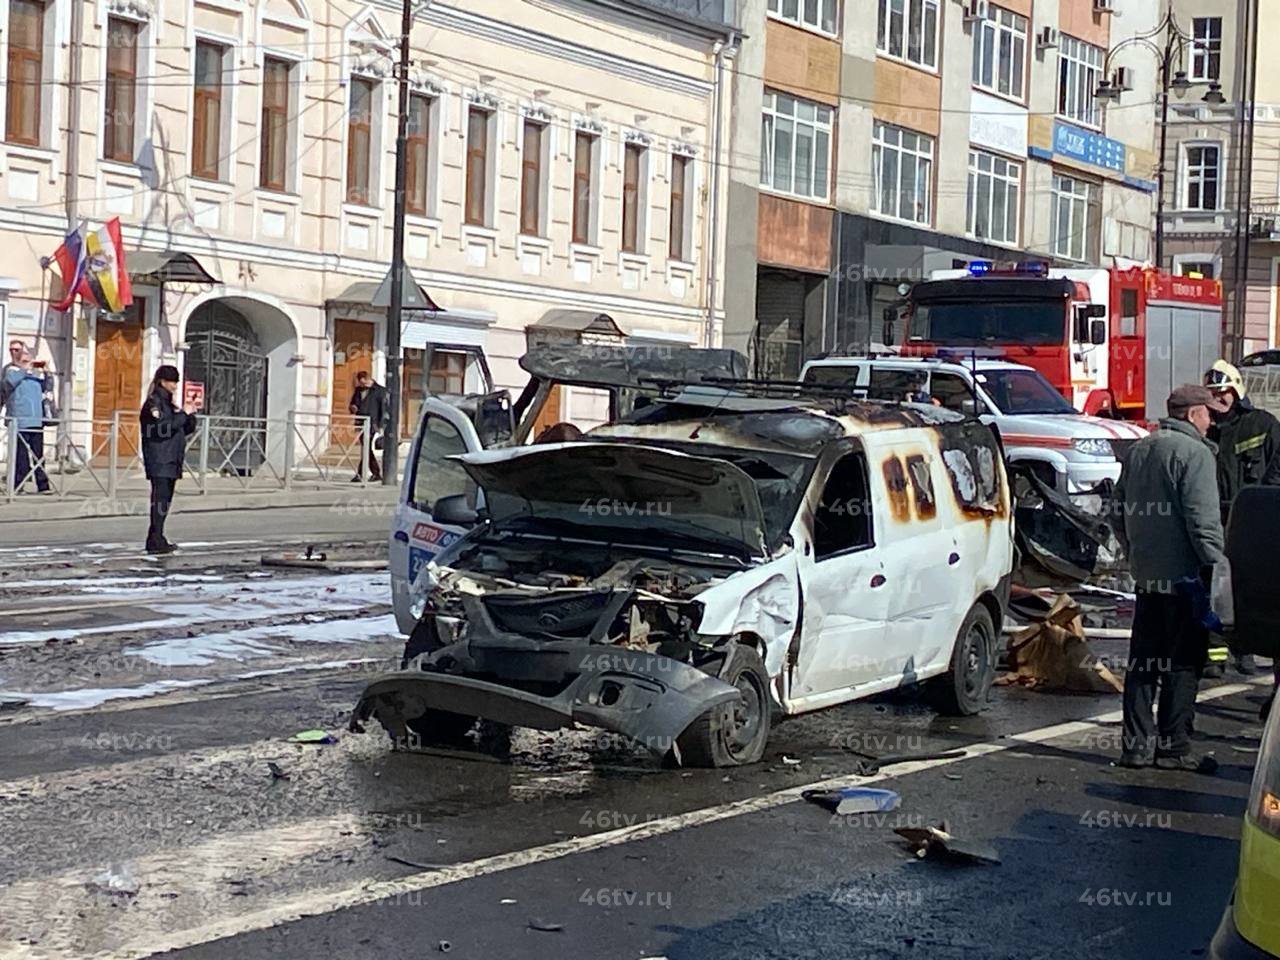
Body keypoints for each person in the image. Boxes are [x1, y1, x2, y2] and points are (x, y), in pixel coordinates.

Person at [1113, 384, 1228, 772]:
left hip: (1148, 577)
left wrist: (1134, 556)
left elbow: (1116, 511)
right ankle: (1174, 748)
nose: (1212, 422)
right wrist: (1220, 569)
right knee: (1182, 663)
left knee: (1143, 664)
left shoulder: (1141, 449)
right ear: (1193, 414)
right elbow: (1202, 523)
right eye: (1208, 414)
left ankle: (1135, 748)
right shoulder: (1194, 454)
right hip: (1186, 579)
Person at [1204, 359, 1280, 701]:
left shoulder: (1262, 425)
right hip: (1218, 520)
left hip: (1253, 523)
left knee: (1248, 589)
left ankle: (1246, 651)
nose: (1217, 400)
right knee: (1215, 590)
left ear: (1236, 392)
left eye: (1223, 394)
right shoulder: (1207, 430)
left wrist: (1265, 500)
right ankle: (1215, 655)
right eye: (1213, 395)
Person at [140, 364, 198, 554]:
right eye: (172, 382)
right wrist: (183, 415)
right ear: (163, 382)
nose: (175, 386)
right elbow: (161, 429)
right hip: (160, 458)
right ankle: (156, 539)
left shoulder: (169, 404)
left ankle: (156, 537)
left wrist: (190, 415)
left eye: (176, 382)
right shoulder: (153, 404)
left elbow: (183, 428)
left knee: (164, 502)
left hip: (171, 458)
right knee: (160, 501)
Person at [0, 341, 52, 494]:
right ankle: (18, 486)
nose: (27, 362)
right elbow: (8, 384)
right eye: (13, 351)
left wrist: (47, 372)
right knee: (20, 457)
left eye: (28, 358)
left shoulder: (33, 375)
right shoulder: (10, 371)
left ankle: (43, 486)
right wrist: (23, 369)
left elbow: (47, 387)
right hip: (19, 421)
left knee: (39, 456)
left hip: (36, 420)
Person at [349, 371, 388, 482]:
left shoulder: (379, 391)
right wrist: (353, 408)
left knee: (366, 448)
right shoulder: (358, 390)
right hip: (361, 423)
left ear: (367, 379)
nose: (362, 386)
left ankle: (362, 474)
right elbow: (353, 403)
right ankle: (374, 473)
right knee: (366, 448)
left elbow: (383, 409)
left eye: (363, 383)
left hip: (372, 424)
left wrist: (381, 426)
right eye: (360, 384)